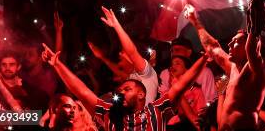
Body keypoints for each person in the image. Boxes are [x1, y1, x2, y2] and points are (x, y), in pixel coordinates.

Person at [41, 43, 207, 131]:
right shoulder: (110, 114)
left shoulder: (156, 111)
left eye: (127, 90)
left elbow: (183, 84)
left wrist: (205, 57)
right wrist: (57, 65)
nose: (121, 93)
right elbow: (82, 91)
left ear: (141, 94)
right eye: (120, 91)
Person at [184, 2, 265, 131]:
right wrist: (195, 21)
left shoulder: (255, 69)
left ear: (247, 46)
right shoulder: (233, 68)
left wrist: (254, 19)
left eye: (236, 41)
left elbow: (254, 48)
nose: (229, 44)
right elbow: (212, 47)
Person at [99, 6, 159, 103]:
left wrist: (116, 26)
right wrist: (102, 58)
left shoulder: (146, 74)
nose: (120, 53)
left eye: (123, 51)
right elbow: (118, 70)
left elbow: (132, 52)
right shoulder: (132, 77)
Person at [159, 36, 217, 103]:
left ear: (189, 52)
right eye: (172, 51)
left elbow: (211, 100)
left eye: (177, 50)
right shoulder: (165, 74)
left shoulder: (204, 72)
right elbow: (164, 101)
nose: (174, 53)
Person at [167, 55, 206, 130]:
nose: (173, 67)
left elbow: (199, 121)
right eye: (172, 64)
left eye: (177, 63)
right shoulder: (168, 92)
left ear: (188, 70)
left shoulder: (196, 92)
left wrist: (178, 90)